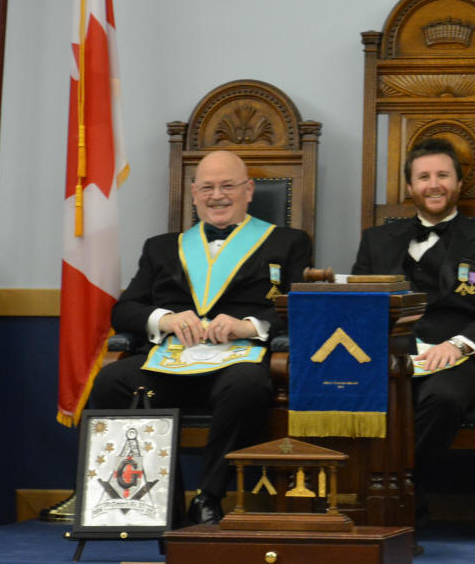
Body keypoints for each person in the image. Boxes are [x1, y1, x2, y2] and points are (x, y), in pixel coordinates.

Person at [91, 149, 312, 525]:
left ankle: (209, 497)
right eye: (207, 187)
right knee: (112, 380)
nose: (217, 196)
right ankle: (152, 502)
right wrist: (165, 319)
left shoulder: (288, 242)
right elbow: (124, 311)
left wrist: (248, 326)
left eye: (228, 186)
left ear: (249, 190)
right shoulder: (161, 247)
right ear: (194, 194)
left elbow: (303, 306)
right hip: (170, 364)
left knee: (247, 387)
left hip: (236, 364)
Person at [352, 138, 475, 521]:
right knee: (343, 386)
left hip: (454, 357)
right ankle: (355, 495)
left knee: (443, 398)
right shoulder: (375, 241)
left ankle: (397, 491)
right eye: (423, 177)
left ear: (459, 183)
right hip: (388, 353)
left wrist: (458, 345)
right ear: (410, 187)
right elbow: (358, 303)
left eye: (443, 175)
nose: (434, 184)